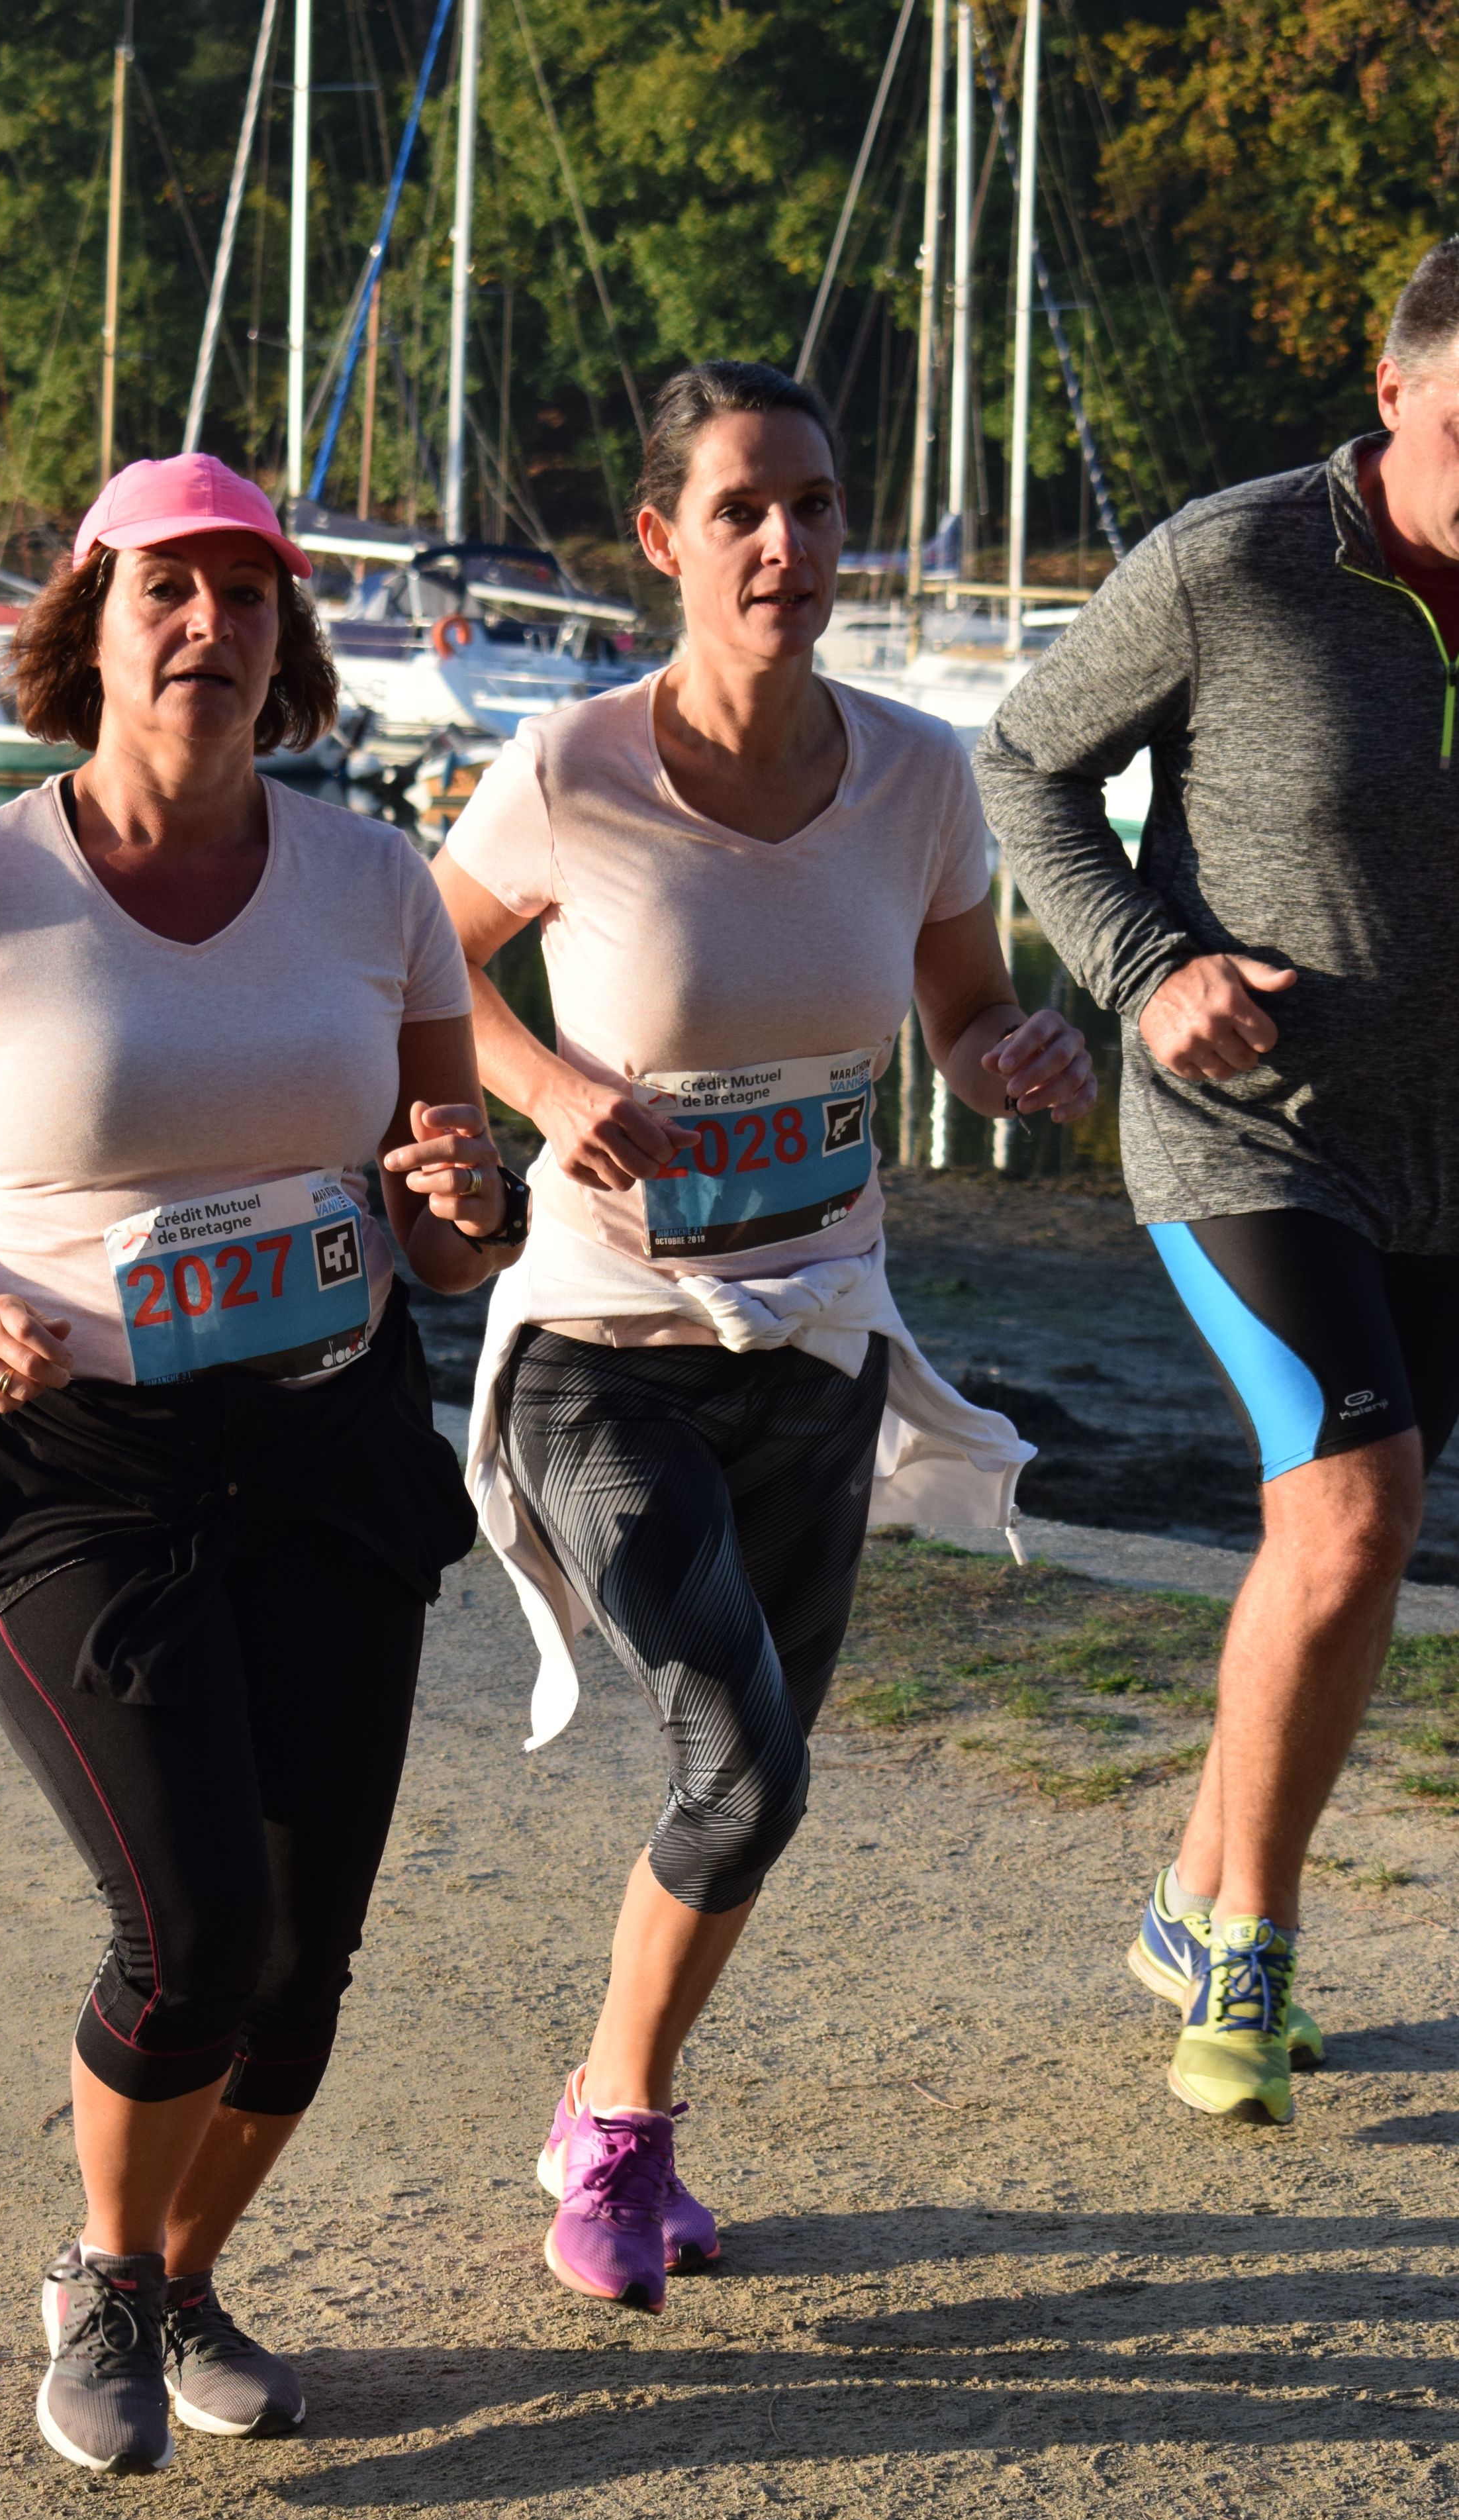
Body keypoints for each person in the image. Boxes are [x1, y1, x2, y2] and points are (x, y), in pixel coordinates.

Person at [0, 452, 526, 2474]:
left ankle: (187, 2275)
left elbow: (448, 1227)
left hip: (327, 1444)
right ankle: (106, 2273)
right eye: (167, 591)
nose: (210, 625)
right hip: (77, 1465)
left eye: (248, 594)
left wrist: (470, 1203)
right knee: (191, 1925)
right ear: (92, 626)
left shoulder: (376, 884)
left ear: (287, 639)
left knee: (303, 1957)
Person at [431, 360, 1095, 2311]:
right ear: (664, 539)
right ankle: (616, 2139)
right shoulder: (569, 767)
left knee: (759, 1773)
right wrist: (547, 1089)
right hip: (601, 1342)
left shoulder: (920, 775)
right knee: (740, 1752)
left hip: (818, 1339)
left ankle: (615, 2099)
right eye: (740, 509)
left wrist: (1018, 1056)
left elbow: (962, 1014)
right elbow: (420, 960)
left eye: (812, 504)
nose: (784, 542)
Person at [976, 239, 1459, 2129]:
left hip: (1449, 1158)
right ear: (1395, 389)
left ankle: (1191, 1893)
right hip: (1255, 1127)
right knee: (1353, 1509)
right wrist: (1144, 966)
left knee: (1335, 1543)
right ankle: (1251, 1944)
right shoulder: (1239, 562)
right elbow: (1025, 763)